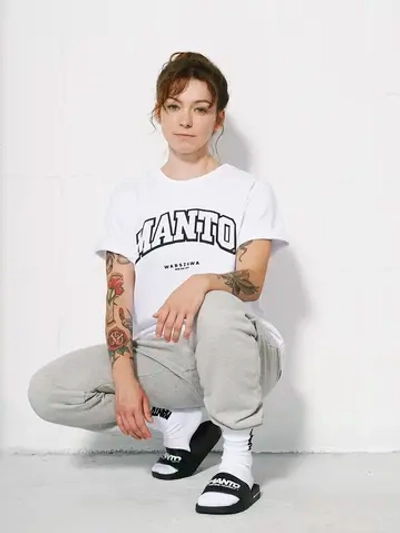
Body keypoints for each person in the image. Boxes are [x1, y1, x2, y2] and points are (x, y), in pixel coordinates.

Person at [28, 51, 290, 516]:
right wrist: (124, 378)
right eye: (174, 106)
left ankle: (237, 462)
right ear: (159, 113)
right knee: (48, 390)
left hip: (242, 352)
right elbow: (117, 295)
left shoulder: (248, 190)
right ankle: (177, 421)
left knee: (217, 303)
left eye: (200, 108)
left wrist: (201, 281)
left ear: (218, 118)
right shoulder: (130, 196)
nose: (186, 120)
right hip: (164, 358)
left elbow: (252, 282)